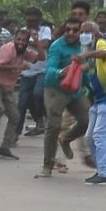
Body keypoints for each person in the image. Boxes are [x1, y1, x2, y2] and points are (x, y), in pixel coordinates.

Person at [39, 17, 91, 178]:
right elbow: (50, 69)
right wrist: (61, 72)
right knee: (53, 126)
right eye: (68, 29)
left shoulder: (83, 46)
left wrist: (89, 87)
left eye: (75, 30)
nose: (71, 33)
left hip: (75, 90)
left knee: (86, 120)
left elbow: (84, 70)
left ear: (80, 32)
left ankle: (66, 139)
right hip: (55, 89)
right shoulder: (57, 46)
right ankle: (47, 165)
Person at [0, 29, 40, 160]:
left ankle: (4, 147)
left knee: (15, 116)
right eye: (18, 39)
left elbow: (40, 58)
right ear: (14, 39)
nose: (21, 43)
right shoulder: (8, 49)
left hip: (7, 88)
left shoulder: (23, 51)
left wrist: (37, 42)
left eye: (24, 41)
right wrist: (18, 67)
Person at [78, 21, 106, 185]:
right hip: (98, 98)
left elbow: (103, 53)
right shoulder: (91, 52)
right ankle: (101, 169)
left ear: (96, 34)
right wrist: (67, 70)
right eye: (82, 32)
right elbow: (86, 67)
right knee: (90, 137)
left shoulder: (101, 43)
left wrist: (86, 55)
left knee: (99, 135)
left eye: (87, 32)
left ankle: (104, 174)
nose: (83, 35)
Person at [17, 7, 50, 137]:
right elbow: (18, 46)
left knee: (38, 94)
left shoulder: (45, 30)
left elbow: (45, 44)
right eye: (29, 21)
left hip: (42, 69)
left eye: (34, 21)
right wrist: (34, 43)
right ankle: (15, 133)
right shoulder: (22, 30)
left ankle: (43, 119)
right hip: (27, 71)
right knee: (22, 102)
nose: (31, 23)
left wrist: (29, 42)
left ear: (40, 20)